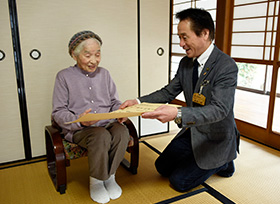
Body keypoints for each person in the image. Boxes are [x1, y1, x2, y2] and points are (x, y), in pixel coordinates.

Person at [120, 8, 240, 192]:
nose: (181, 44)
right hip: (193, 131)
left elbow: (220, 110)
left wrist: (177, 113)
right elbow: (168, 92)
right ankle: (202, 159)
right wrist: (137, 102)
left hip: (216, 136)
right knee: (162, 167)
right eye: (179, 38)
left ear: (205, 33)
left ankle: (224, 161)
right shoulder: (186, 63)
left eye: (185, 37)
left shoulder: (226, 66)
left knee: (179, 182)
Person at [52, 30, 130, 203]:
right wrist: (81, 120)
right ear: (74, 55)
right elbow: (58, 112)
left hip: (107, 122)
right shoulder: (63, 77)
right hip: (81, 129)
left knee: (122, 132)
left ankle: (110, 177)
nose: (94, 60)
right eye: (88, 55)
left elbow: (113, 101)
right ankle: (96, 182)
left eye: (97, 54)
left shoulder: (105, 74)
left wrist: (121, 111)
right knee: (99, 135)